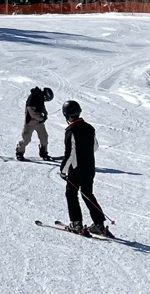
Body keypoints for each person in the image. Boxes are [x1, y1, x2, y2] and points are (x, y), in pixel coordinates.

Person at [57, 99, 111, 237]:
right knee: (88, 193)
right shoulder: (89, 127)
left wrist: (63, 170)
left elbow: (69, 154)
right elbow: (95, 147)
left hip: (76, 169)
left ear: (66, 115)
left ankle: (77, 223)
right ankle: (99, 224)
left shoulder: (71, 130)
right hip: (90, 168)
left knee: (71, 194)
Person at [15, 86, 54, 161]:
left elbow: (42, 106)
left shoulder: (40, 97)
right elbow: (32, 113)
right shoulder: (32, 98)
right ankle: (19, 152)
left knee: (44, 137)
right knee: (26, 139)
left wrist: (45, 113)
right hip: (30, 123)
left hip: (39, 123)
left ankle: (44, 153)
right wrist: (41, 118)